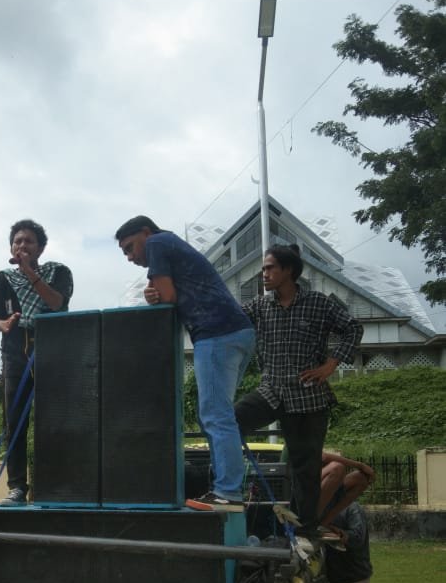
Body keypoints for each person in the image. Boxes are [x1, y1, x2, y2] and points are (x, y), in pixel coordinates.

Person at [115, 215, 256, 508]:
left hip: (217, 333)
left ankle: (228, 492)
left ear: (145, 232)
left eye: (130, 247)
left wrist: (156, 295)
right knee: (217, 418)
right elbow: (169, 294)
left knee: (216, 417)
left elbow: (166, 296)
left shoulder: (157, 242)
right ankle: (225, 488)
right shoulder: (170, 244)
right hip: (235, 332)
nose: (130, 257)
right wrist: (158, 294)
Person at [234, 243, 363, 541]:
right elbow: (225, 317)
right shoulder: (259, 306)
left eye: (269, 267)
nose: (263, 273)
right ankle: (228, 492)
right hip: (270, 390)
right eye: (263, 268)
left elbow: (353, 328)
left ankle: (304, 532)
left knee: (305, 470)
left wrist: (330, 365)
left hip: (309, 396)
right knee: (227, 422)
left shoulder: (319, 303)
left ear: (288, 270)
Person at [0, 219, 73, 504]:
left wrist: (29, 273)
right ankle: (17, 487)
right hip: (14, 351)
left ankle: (54, 483)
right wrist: (4, 325)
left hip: (52, 348)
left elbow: (56, 303)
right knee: (14, 421)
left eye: (28, 241)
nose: (21, 246)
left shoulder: (58, 271)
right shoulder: (4, 278)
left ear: (41, 248)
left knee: (53, 419)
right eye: (17, 241)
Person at [319, 450, 375, 527]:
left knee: (360, 478)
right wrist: (360, 465)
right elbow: (324, 457)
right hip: (304, 495)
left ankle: (324, 524)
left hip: (319, 495)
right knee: (337, 468)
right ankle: (310, 523)